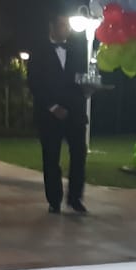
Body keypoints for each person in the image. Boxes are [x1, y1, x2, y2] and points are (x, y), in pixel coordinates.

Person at [27, 14, 89, 213]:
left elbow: (81, 78)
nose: (67, 29)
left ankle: (75, 198)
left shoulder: (76, 50)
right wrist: (53, 106)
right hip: (49, 115)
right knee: (51, 158)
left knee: (79, 154)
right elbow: (34, 82)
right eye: (63, 25)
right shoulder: (39, 52)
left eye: (67, 26)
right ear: (52, 27)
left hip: (75, 112)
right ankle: (54, 200)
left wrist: (87, 89)